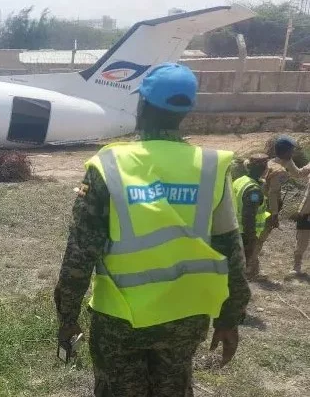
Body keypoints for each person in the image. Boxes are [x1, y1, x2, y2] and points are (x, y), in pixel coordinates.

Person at [54, 63, 250, 397]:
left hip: (120, 318)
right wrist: (229, 318)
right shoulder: (211, 168)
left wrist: (67, 316)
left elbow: (80, 252)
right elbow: (231, 250)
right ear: (186, 111)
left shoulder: (110, 164)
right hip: (186, 317)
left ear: (141, 106)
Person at [257, 136, 310, 278]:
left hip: (264, 204)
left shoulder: (282, 161)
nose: (293, 152)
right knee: (260, 236)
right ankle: (251, 266)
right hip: (266, 206)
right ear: (286, 151)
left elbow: (298, 174)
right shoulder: (278, 169)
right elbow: (273, 193)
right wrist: (274, 214)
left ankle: (251, 264)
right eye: (291, 150)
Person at [233, 154, 271, 280]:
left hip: (235, 229)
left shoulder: (240, 180)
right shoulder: (253, 190)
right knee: (241, 269)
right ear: (263, 168)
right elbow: (248, 216)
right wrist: (252, 237)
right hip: (245, 233)